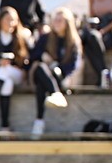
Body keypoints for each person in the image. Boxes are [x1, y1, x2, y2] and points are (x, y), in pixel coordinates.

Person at [28, 7, 80, 136]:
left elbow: (72, 66)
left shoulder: (73, 42)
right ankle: (55, 94)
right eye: (55, 20)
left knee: (43, 83)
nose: (57, 23)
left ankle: (39, 121)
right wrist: (43, 56)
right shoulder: (46, 38)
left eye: (60, 20)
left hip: (59, 77)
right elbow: (32, 56)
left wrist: (58, 69)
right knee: (41, 68)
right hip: (41, 73)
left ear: (67, 23)